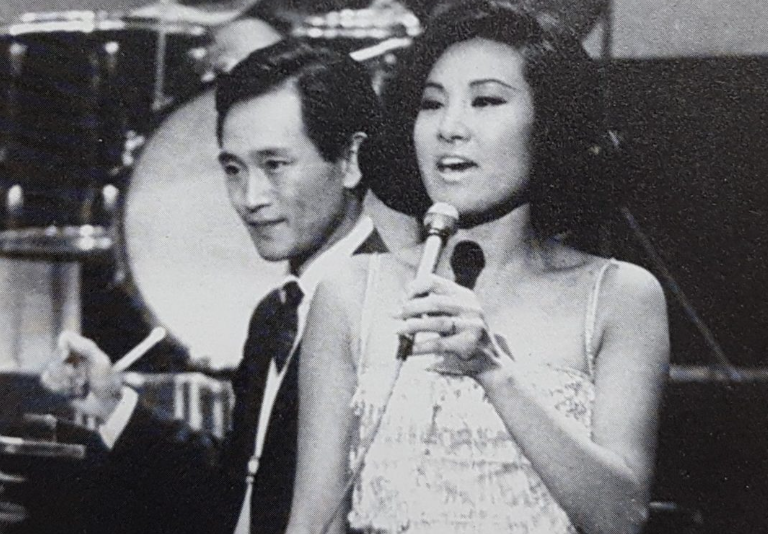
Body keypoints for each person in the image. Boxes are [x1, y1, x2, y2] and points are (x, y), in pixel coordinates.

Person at [285, 2, 670, 534]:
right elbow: (313, 520)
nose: (449, 127)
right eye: (431, 104)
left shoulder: (619, 296)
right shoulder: (352, 291)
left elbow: (621, 518)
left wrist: (493, 371)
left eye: (486, 101)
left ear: (550, 125)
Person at [39, 39, 388, 534]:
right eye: (233, 169)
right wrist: (115, 403)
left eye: (275, 165)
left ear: (350, 160)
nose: (250, 198)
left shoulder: (392, 309)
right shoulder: (274, 315)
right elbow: (240, 493)